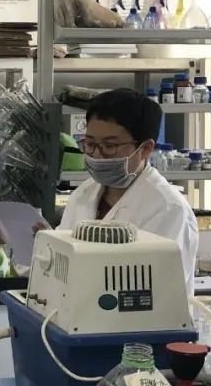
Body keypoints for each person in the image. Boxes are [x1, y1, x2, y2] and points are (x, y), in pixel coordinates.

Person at [61, 88, 198, 295]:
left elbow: (153, 287)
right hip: (80, 308)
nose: (96, 155)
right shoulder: (84, 193)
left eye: (109, 146)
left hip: (137, 314)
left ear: (145, 149)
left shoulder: (169, 209)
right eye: (89, 143)